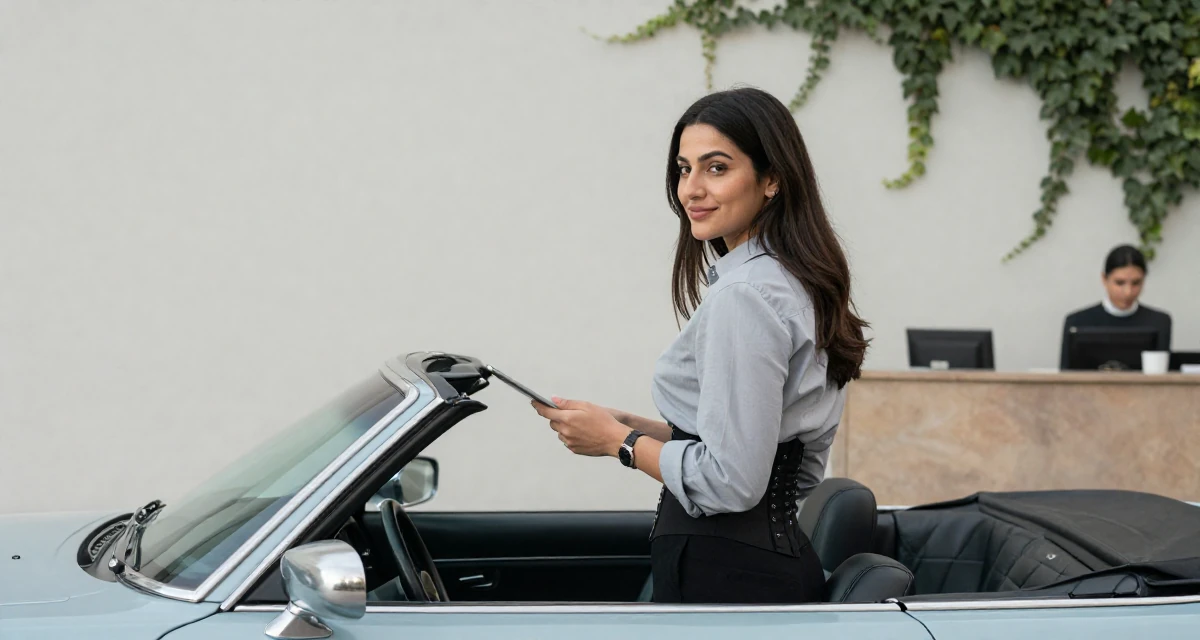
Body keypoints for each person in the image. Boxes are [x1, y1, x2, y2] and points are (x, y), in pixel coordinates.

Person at [531, 87, 869, 604]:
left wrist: (616, 445)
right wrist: (630, 426)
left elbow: (732, 482)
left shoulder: (746, 296)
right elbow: (769, 449)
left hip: (728, 577)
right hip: (754, 569)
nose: (691, 188)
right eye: (684, 169)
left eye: (716, 168)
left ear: (772, 178)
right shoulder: (792, 282)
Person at [1059, 244, 1172, 370]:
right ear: (1104, 279)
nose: (1128, 292)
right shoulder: (1077, 322)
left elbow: (1161, 379)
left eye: (1136, 283)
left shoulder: (1159, 322)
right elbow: (1066, 377)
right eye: (1120, 283)